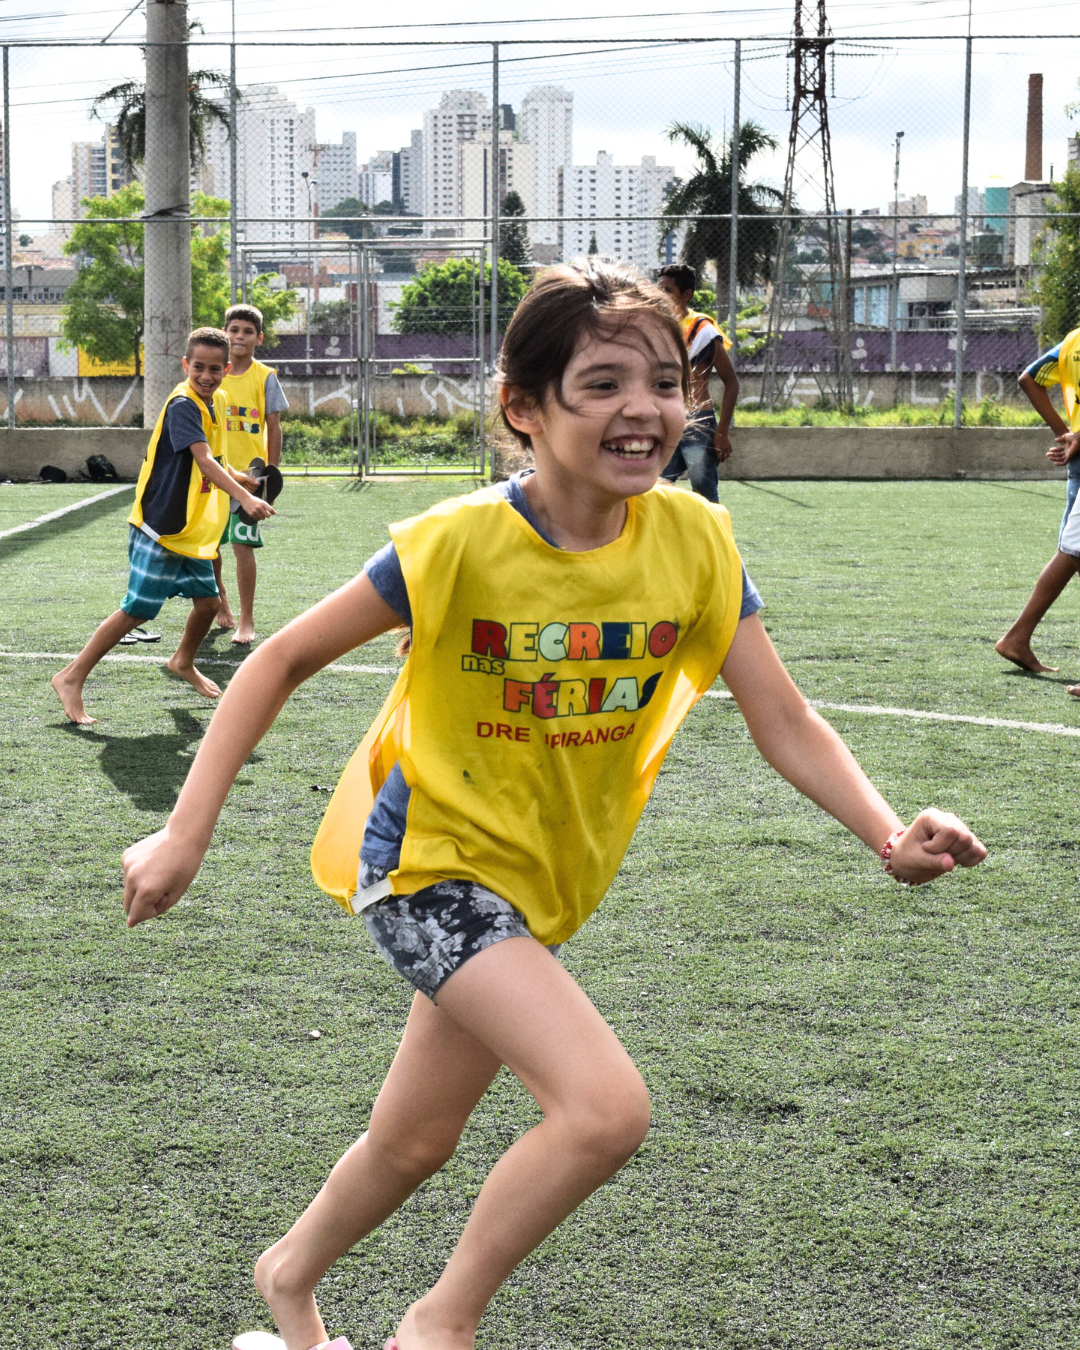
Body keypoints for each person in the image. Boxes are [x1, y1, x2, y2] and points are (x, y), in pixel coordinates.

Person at [121, 263, 986, 1350]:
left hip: (541, 879)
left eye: (668, 382)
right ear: (524, 409)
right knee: (604, 1109)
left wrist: (884, 830)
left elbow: (786, 718)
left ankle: (287, 1279)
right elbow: (278, 659)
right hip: (426, 863)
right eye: (605, 383)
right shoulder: (455, 543)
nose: (646, 409)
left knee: (415, 1142)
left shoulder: (697, 542)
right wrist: (184, 832)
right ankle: (441, 1325)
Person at [51, 329, 275, 726]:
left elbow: (217, 458)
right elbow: (203, 460)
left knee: (208, 603)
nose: (206, 376)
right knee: (137, 610)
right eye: (199, 367)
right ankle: (71, 676)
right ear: (186, 365)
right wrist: (243, 497)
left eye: (214, 369)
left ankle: (182, 661)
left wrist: (241, 477)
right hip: (160, 526)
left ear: (226, 370)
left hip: (188, 530)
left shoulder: (217, 400)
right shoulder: (183, 405)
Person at [995, 327, 1080, 675]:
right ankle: (1017, 636)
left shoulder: (1074, 340)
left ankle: (1018, 636)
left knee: (1072, 551)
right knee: (1072, 551)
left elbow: (1029, 378)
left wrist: (1067, 435)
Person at [213, 304, 290, 645]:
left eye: (247, 331)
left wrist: (268, 476)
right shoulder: (212, 374)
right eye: (233, 329)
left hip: (250, 479)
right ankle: (221, 600)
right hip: (213, 474)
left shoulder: (265, 377)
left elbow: (274, 429)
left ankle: (247, 617)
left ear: (258, 338)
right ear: (224, 333)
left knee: (243, 546)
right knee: (210, 545)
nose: (239, 336)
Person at [655, 261, 740, 502]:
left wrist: (722, 431)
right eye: (658, 288)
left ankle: (714, 539)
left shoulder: (702, 329)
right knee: (655, 488)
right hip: (666, 418)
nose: (660, 295)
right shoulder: (658, 328)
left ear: (686, 295)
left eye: (667, 291)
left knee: (705, 493)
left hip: (698, 422)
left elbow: (731, 382)